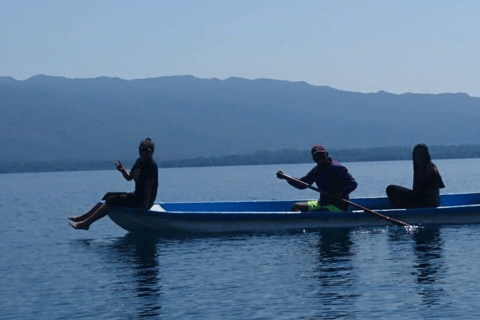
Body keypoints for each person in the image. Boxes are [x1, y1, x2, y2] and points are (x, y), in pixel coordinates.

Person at [69, 137, 159, 230]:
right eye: (141, 150)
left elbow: (149, 188)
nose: (143, 153)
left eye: (146, 151)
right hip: (137, 196)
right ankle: (83, 217)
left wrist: (144, 206)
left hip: (144, 201)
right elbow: (129, 177)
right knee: (108, 195)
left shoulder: (150, 166)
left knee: (113, 200)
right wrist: (123, 171)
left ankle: (86, 223)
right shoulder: (139, 161)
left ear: (151, 152)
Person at [277, 144, 358, 212]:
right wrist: (287, 178)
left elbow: (352, 183)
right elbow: (303, 184)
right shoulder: (316, 170)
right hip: (322, 203)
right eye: (317, 158)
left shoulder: (337, 167)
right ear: (314, 159)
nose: (320, 160)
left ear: (326, 155)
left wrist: (341, 193)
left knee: (322, 210)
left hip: (338, 206)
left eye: (322, 156)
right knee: (296, 206)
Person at [386, 143, 445, 208]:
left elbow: (434, 194)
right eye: (416, 153)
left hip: (428, 203)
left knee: (391, 189)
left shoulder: (430, 169)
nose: (418, 156)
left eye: (421, 154)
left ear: (426, 155)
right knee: (393, 190)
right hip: (419, 199)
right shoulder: (418, 167)